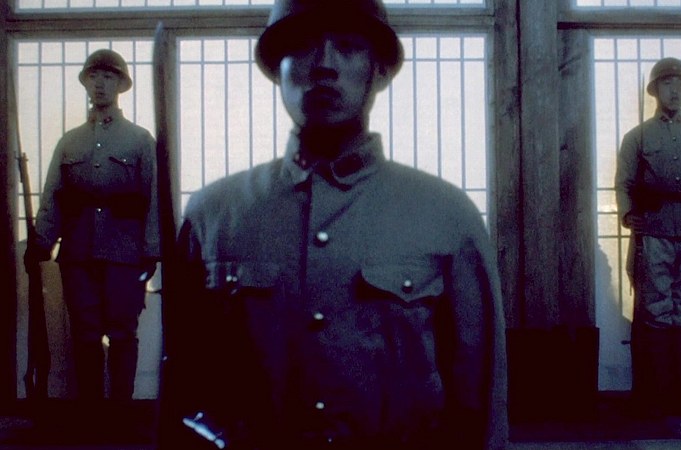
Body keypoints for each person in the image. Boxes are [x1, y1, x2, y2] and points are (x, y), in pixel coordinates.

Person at [156, 0, 507, 449]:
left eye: (347, 46)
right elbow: (184, 393)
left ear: (380, 71)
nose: (324, 65)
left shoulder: (446, 216)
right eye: (303, 46)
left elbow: (478, 401)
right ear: (276, 71)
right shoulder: (214, 215)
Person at [24, 49, 159, 404]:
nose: (100, 84)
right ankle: (92, 415)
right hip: (78, 254)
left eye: (108, 77)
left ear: (121, 85)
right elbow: (53, 195)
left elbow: (154, 198)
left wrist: (151, 250)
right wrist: (41, 241)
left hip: (124, 254)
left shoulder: (139, 140)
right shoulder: (70, 142)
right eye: (94, 77)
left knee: (123, 333)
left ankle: (121, 414)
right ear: (85, 84)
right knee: (85, 334)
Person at [615, 57, 681, 421]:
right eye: (666, 84)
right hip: (655, 230)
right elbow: (624, 183)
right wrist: (629, 216)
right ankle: (655, 397)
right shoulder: (638, 137)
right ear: (655, 91)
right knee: (656, 309)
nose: (674, 91)